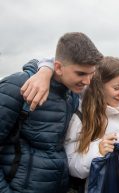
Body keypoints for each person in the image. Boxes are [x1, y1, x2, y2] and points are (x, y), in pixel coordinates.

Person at [0, 32, 103, 193]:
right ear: (59, 68)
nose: (87, 81)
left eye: (91, 73)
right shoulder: (17, 86)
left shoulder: (72, 94)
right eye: (81, 73)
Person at [64, 56, 119, 193]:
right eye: (117, 88)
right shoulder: (82, 117)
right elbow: (72, 166)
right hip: (103, 186)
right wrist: (98, 151)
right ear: (99, 87)